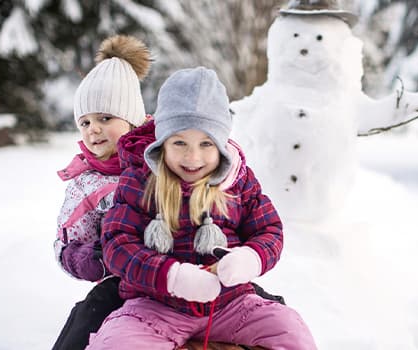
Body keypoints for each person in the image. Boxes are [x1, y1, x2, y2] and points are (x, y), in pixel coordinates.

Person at [90, 67, 316, 349]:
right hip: (155, 306)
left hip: (231, 305)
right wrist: (172, 276)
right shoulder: (139, 180)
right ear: (163, 143)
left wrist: (250, 257)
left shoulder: (238, 182)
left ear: (221, 146)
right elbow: (117, 245)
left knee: (290, 332)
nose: (192, 157)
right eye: (180, 142)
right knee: (114, 344)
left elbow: (269, 230)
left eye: (206, 144)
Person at [51, 34, 151, 350]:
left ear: (132, 120)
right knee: (85, 320)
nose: (93, 129)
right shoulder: (86, 184)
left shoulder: (166, 160)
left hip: (181, 270)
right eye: (85, 121)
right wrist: (97, 258)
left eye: (105, 118)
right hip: (121, 283)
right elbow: (66, 244)